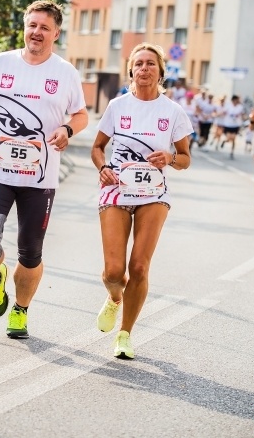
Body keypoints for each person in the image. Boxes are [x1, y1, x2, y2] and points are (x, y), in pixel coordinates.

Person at [0, 0, 88, 339]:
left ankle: (20, 309)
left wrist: (68, 130)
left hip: (39, 177)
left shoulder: (65, 73)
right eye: (32, 25)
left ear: (56, 33)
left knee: (30, 253)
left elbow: (81, 114)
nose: (37, 32)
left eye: (45, 27)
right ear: (25, 27)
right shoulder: (0, 62)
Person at [91, 43, 192, 360]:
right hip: (118, 187)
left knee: (138, 266)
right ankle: (114, 297)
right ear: (130, 70)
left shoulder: (173, 112)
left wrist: (170, 157)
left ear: (161, 72)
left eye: (151, 64)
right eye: (139, 64)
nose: (144, 68)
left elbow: (186, 159)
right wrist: (103, 167)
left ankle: (125, 334)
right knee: (113, 271)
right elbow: (97, 148)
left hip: (154, 193)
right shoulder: (117, 106)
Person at [220, 95, 246, 159]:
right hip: (228, 124)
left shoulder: (240, 107)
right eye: (237, 100)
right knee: (229, 138)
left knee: (234, 139)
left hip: (236, 125)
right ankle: (224, 141)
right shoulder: (228, 105)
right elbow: (223, 112)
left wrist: (244, 118)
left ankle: (232, 152)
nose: (238, 101)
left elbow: (242, 114)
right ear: (234, 100)